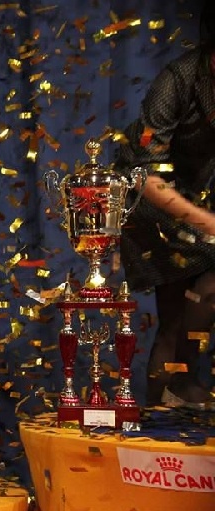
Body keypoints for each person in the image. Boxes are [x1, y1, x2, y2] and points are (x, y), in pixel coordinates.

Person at [116, 4, 215, 409]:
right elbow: (144, 175)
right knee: (180, 309)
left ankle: (171, 400)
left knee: (180, 315)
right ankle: (174, 393)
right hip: (146, 201)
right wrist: (207, 222)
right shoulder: (178, 79)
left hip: (191, 198)